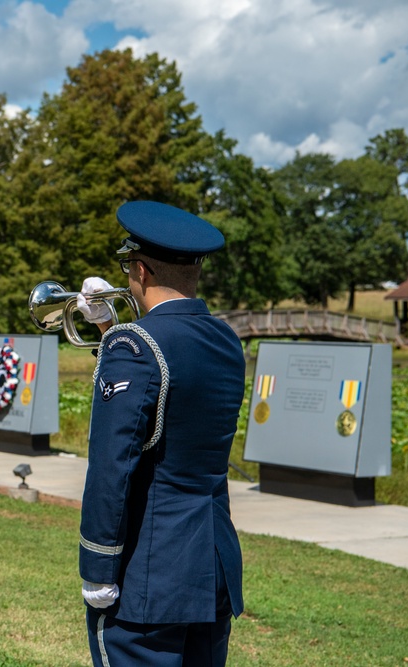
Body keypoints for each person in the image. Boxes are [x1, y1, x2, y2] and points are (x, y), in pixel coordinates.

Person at [76, 201, 245, 667]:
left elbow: (112, 461)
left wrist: (97, 565)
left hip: (150, 572)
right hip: (210, 564)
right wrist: (109, 328)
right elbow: (170, 397)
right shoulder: (226, 340)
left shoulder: (131, 347)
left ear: (141, 270)